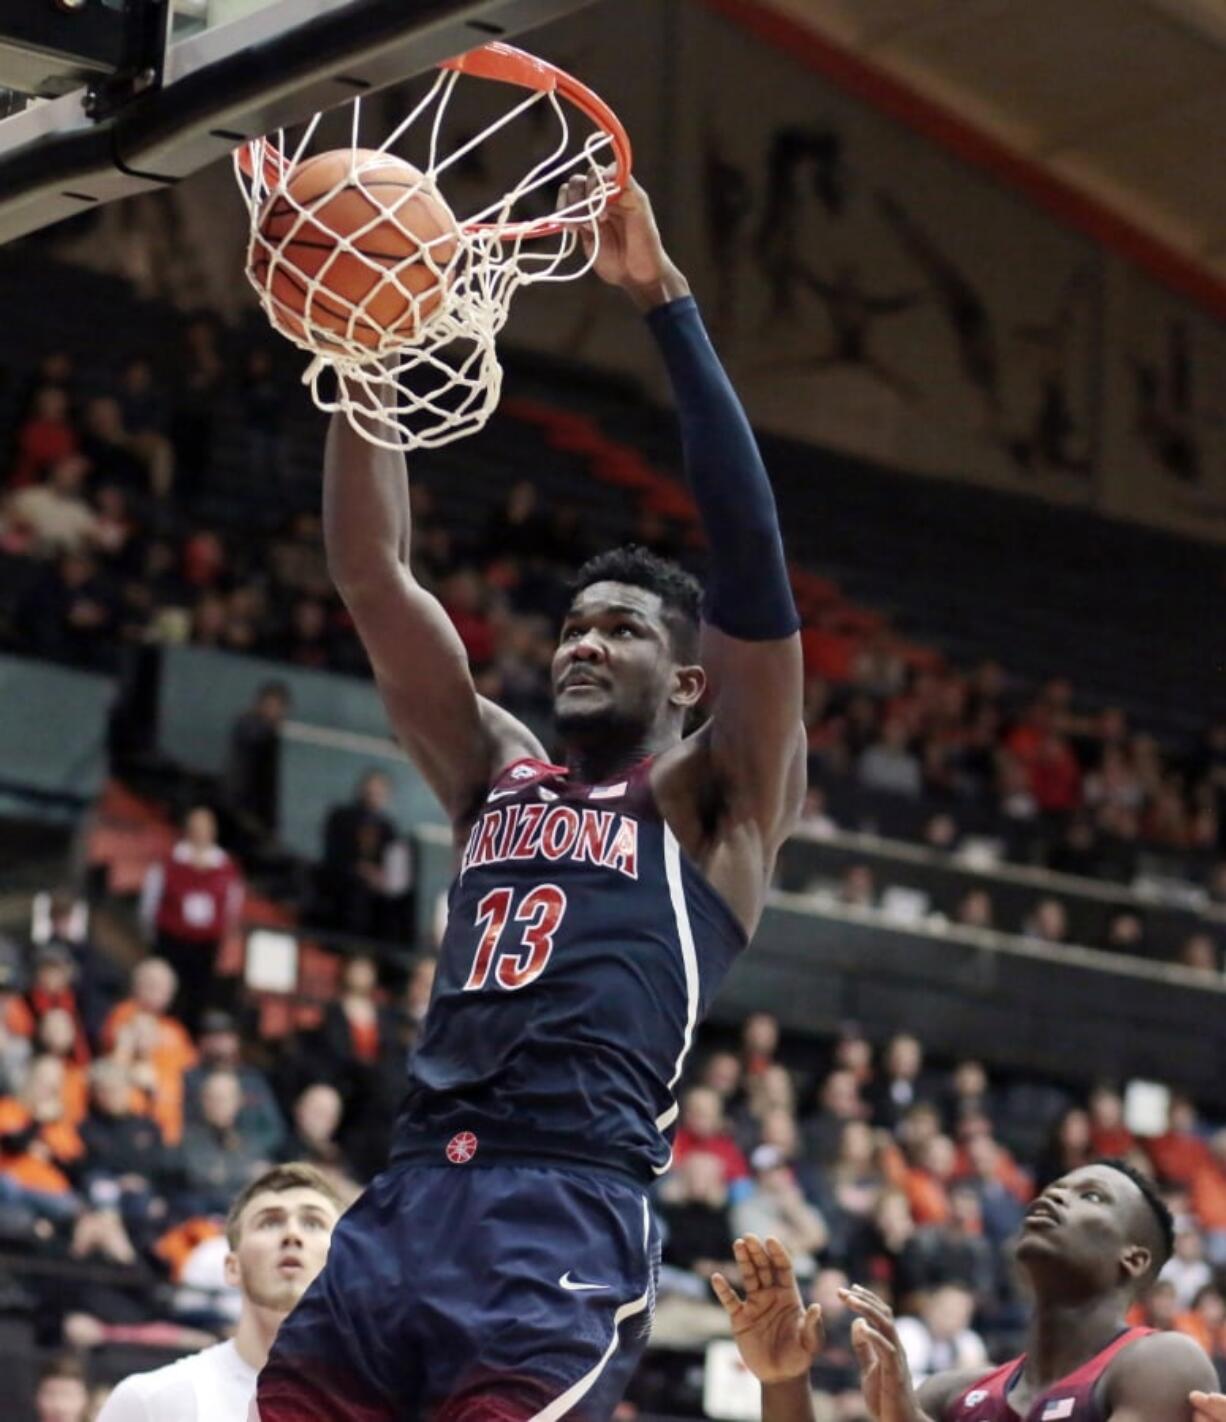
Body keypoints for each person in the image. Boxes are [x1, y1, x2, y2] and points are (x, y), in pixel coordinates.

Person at [256, 173, 805, 1419]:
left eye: (617, 629)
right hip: (401, 1202)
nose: (580, 643)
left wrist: (664, 303)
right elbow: (370, 570)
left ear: (689, 679)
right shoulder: (494, 768)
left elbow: (754, 563)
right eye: (570, 625)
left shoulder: (712, 800)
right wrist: (363, 343)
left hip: (557, 1212)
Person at [843, 1159, 1217, 1422]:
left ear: (1133, 1258)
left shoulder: (1165, 1363)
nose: (1050, 1197)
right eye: (1053, 1189)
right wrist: (787, 1379)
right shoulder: (948, 1393)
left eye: (1091, 1197)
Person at [97, 1163, 343, 1421]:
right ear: (232, 1267)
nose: (292, 1234)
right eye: (270, 1222)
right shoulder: (151, 1402)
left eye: (313, 1223)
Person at [140, 806, 244, 1033]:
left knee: (198, 999)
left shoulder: (226, 867)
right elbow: (149, 903)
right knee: (164, 993)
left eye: (205, 828)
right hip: (170, 941)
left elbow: (232, 908)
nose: (200, 833)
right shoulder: (169, 862)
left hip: (205, 946)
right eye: (196, 828)